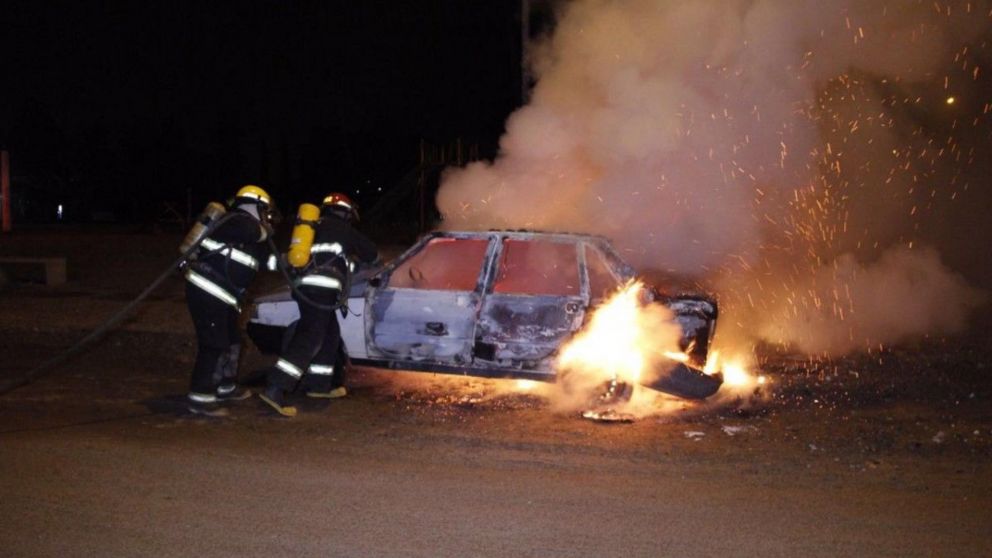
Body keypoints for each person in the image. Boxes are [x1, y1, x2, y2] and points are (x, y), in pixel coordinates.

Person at [260, 192, 378, 417]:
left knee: (330, 334)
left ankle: (320, 386)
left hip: (306, 288)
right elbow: (371, 253)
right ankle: (275, 387)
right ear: (346, 213)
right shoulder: (342, 229)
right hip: (321, 290)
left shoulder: (312, 228)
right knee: (310, 337)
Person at [184, 185, 277, 417]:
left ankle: (226, 386)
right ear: (255, 206)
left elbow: (269, 263)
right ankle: (200, 397)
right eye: (265, 211)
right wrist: (265, 230)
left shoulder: (251, 232)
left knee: (233, 340)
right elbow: (253, 232)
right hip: (207, 291)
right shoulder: (235, 221)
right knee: (213, 343)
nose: (267, 216)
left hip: (226, 296)